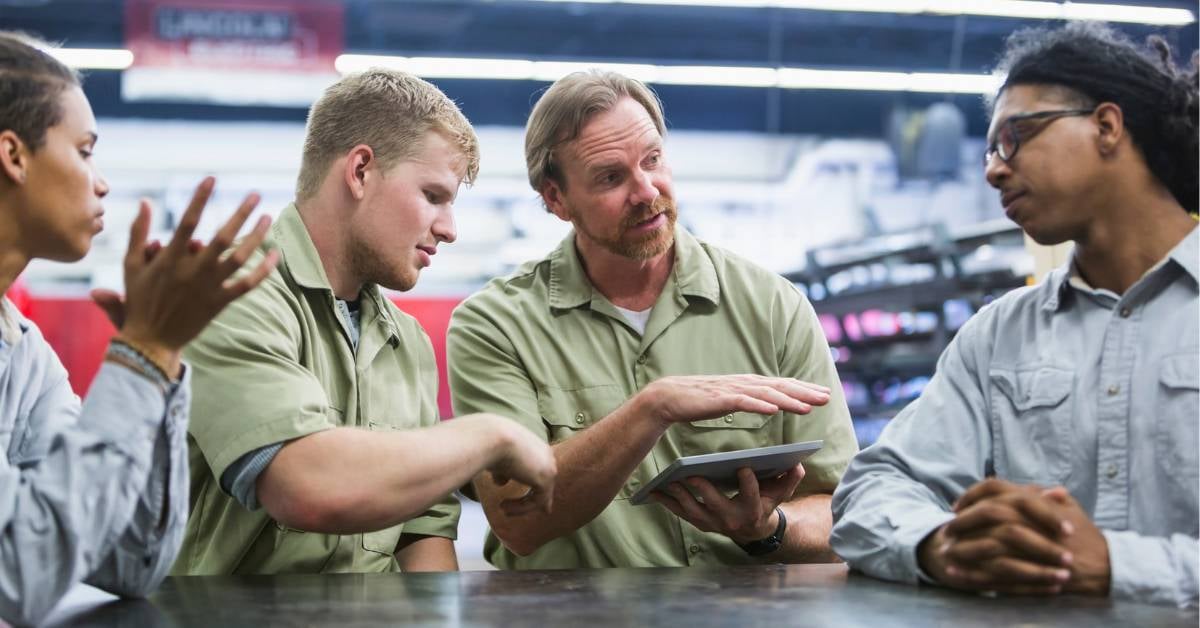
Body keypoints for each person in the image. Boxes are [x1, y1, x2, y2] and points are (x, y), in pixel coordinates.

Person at [830, 22, 1199, 607]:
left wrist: (1116, 565)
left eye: (1015, 137)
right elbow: (874, 489)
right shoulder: (998, 336)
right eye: (990, 149)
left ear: (1107, 126)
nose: (993, 169)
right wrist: (939, 545)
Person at [447, 70, 858, 569]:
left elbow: (846, 513)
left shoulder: (773, 307)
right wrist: (651, 409)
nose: (646, 190)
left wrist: (769, 530)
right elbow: (519, 521)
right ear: (556, 199)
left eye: (652, 160)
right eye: (610, 177)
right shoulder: (494, 327)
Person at [174, 68, 557, 575]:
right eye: (433, 196)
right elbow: (306, 488)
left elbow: (423, 530)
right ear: (359, 171)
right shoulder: (232, 295)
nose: (449, 229)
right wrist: (490, 436)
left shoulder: (408, 342)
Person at [0, 32, 278, 624]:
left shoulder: (23, 351)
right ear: (13, 155)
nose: (100, 182)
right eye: (84, 150)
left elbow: (132, 560)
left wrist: (160, 362)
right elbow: (19, 571)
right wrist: (142, 351)